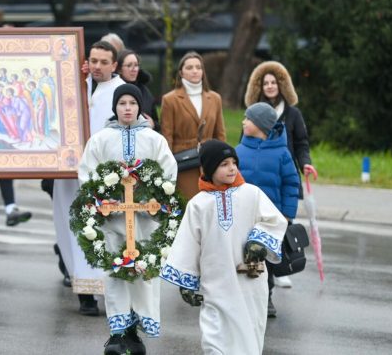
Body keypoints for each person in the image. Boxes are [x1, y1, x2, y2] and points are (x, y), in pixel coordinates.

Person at [161, 139, 287, 354]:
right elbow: (188, 244)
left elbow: (274, 221)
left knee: (250, 335)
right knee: (214, 340)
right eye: (224, 164)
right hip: (215, 285)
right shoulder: (198, 204)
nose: (232, 168)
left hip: (250, 285)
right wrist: (187, 283)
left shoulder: (252, 193)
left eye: (233, 163)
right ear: (209, 169)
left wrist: (259, 241)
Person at [78, 84, 177, 355]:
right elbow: (87, 172)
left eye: (132, 103)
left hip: (145, 221)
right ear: (115, 107)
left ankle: (135, 332)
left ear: (140, 106)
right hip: (113, 222)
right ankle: (117, 332)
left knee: (143, 273)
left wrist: (152, 199)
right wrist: (101, 198)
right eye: (122, 103)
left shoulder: (154, 140)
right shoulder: (100, 139)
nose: (127, 108)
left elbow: (168, 172)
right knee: (116, 273)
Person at [54, 39, 126, 315]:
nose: (97, 66)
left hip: (103, 176)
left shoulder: (121, 92)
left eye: (103, 62)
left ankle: (110, 291)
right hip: (69, 173)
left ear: (114, 65)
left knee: (105, 232)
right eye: (93, 60)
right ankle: (84, 291)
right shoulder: (75, 82)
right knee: (72, 227)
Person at [244, 61, 317, 289]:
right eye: (265, 83)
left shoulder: (293, 114)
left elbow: (302, 142)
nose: (270, 86)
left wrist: (305, 163)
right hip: (258, 181)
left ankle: (281, 266)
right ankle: (262, 277)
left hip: (282, 173)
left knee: (282, 226)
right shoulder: (253, 114)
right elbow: (243, 144)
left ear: (281, 85)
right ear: (260, 86)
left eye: (273, 82)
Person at [235, 102, 300, 318]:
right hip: (244, 216)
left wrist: (288, 213)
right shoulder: (239, 151)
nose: (243, 122)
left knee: (267, 260)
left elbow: (291, 183)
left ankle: (267, 296)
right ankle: (243, 297)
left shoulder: (281, 153)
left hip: (270, 218)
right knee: (243, 256)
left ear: (261, 125)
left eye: (248, 118)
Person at [160, 51, 226, 199]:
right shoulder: (170, 100)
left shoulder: (215, 98)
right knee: (188, 206)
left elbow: (220, 134)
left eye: (198, 67)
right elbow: (167, 136)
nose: (195, 71)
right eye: (189, 67)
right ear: (181, 73)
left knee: (211, 207)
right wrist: (168, 167)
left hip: (210, 161)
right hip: (184, 163)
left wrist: (224, 161)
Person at [116, 49, 159, 130]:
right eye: (129, 65)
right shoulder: (113, 89)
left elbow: (156, 121)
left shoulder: (145, 91)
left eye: (136, 65)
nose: (134, 69)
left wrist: (153, 125)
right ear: (119, 69)